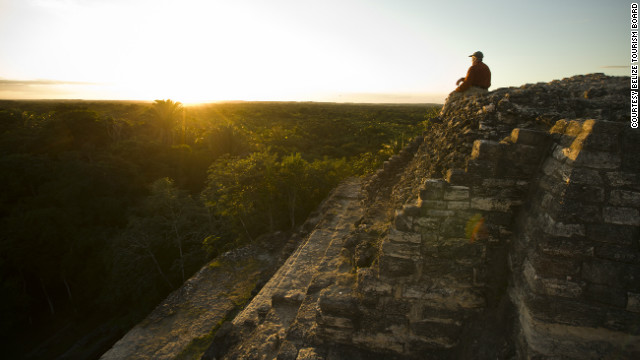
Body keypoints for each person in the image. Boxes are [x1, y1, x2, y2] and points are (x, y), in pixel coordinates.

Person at [440, 51, 491, 116]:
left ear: (475, 59)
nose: (471, 61)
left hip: (475, 91)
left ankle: (441, 116)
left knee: (451, 96)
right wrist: (462, 79)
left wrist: (457, 90)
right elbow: (478, 79)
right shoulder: (486, 67)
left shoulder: (473, 68)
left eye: (472, 59)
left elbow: (467, 84)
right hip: (485, 91)